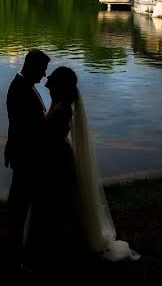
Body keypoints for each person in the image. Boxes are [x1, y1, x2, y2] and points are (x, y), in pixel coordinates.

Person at [24, 66, 140, 268]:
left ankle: (56, 243)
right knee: (56, 198)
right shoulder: (59, 103)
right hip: (56, 154)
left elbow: (50, 136)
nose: (47, 77)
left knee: (55, 197)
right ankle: (53, 241)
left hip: (56, 157)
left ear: (58, 83)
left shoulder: (61, 109)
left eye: (51, 76)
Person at [4, 48, 50, 267]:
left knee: (22, 198)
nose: (44, 75)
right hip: (26, 155)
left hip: (25, 153)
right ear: (32, 66)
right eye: (42, 70)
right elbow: (23, 127)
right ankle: (14, 246)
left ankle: (16, 240)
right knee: (20, 199)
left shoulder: (25, 87)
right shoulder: (19, 90)